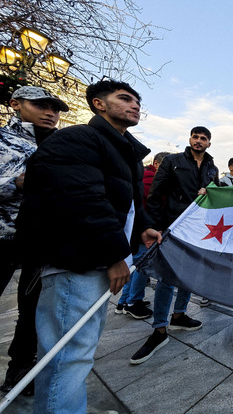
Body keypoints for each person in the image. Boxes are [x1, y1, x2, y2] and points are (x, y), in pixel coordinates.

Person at [16, 80, 161, 413]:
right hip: (75, 262)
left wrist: (143, 229)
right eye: (124, 99)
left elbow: (126, 203)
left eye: (138, 101)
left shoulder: (127, 153)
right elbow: (81, 201)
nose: (135, 105)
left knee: (79, 347)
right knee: (68, 352)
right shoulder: (77, 139)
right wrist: (113, 255)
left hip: (96, 262)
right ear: (98, 103)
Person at [130, 127, 219, 364]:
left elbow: (217, 196)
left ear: (209, 143)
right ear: (190, 139)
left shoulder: (212, 168)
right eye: (195, 137)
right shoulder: (172, 161)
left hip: (198, 230)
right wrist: (156, 225)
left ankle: (179, 315)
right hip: (171, 227)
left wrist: (211, 192)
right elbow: (155, 194)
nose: (199, 141)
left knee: (188, 276)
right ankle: (159, 329)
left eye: (203, 138)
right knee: (167, 279)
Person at [0, 86, 67, 395]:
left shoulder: (61, 146)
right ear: (15, 104)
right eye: (40, 105)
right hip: (4, 236)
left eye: (54, 108)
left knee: (33, 309)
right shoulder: (4, 140)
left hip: (40, 239)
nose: (50, 112)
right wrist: (16, 183)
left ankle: (20, 370)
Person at [115, 151, 170, 319]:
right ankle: (133, 302)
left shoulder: (146, 178)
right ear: (156, 165)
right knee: (141, 267)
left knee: (135, 266)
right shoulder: (150, 181)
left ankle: (123, 302)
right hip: (145, 231)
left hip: (139, 229)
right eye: (166, 166)